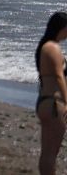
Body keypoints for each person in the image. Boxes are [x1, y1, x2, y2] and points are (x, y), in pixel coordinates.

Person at [37, 11, 67, 175]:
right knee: (51, 153)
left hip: (45, 101)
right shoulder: (52, 47)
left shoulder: (44, 47)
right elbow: (59, 76)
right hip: (55, 103)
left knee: (47, 153)